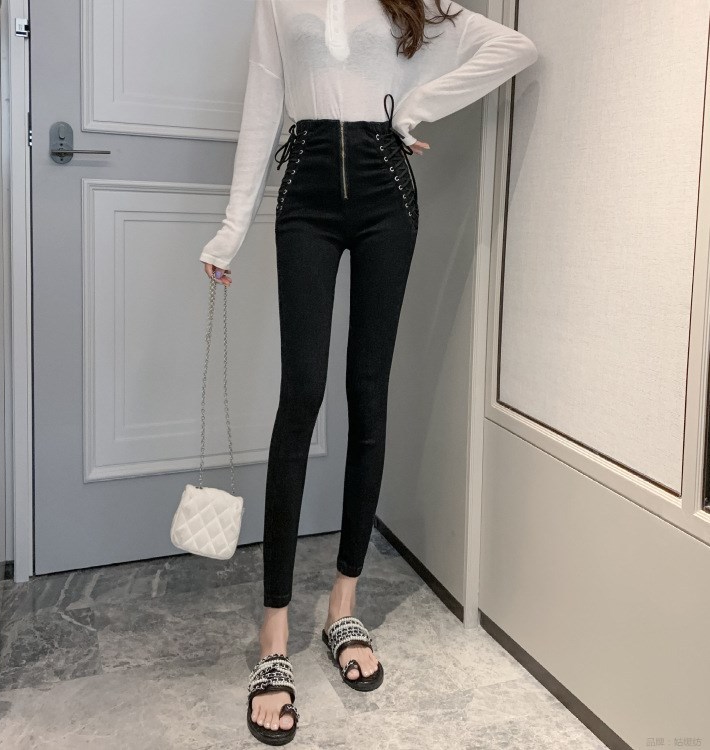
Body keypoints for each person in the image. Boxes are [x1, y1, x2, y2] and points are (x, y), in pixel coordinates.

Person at [199, 0, 537, 744]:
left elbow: (513, 46)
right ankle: (274, 633)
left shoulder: (410, 2)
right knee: (302, 394)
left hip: (388, 190)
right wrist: (231, 228)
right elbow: (262, 106)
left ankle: (342, 607)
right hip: (307, 188)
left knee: (368, 393)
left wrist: (415, 105)